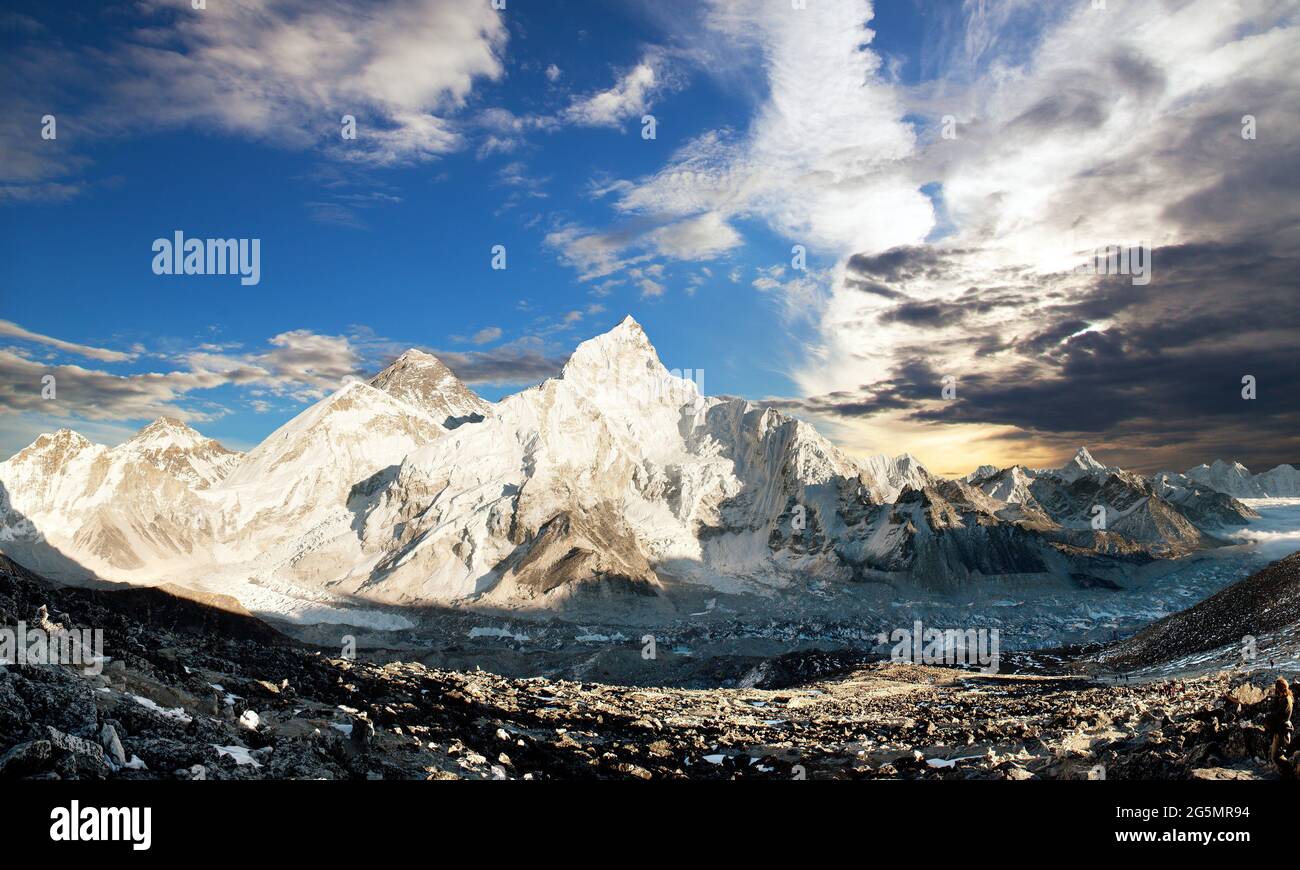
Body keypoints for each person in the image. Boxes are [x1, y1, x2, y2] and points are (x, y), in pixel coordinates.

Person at [1266, 678, 1294, 775]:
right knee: (1277, 755)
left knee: (1276, 757)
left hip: (1282, 730)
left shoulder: (1286, 700)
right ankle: (1288, 773)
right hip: (1282, 729)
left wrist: (1269, 716)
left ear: (1278, 688)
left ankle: (1291, 773)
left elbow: (1278, 716)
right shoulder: (1286, 698)